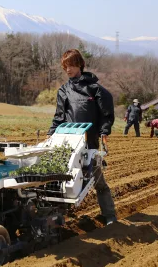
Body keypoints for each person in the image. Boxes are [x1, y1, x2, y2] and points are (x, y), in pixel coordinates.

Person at [46, 49, 117, 225]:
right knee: (63, 178)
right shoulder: (64, 90)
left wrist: (104, 132)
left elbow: (106, 114)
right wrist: (50, 135)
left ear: (80, 65)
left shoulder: (95, 89)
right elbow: (59, 116)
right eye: (65, 66)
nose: (68, 70)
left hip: (89, 141)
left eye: (71, 65)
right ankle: (57, 217)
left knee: (97, 178)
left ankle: (110, 216)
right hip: (68, 141)